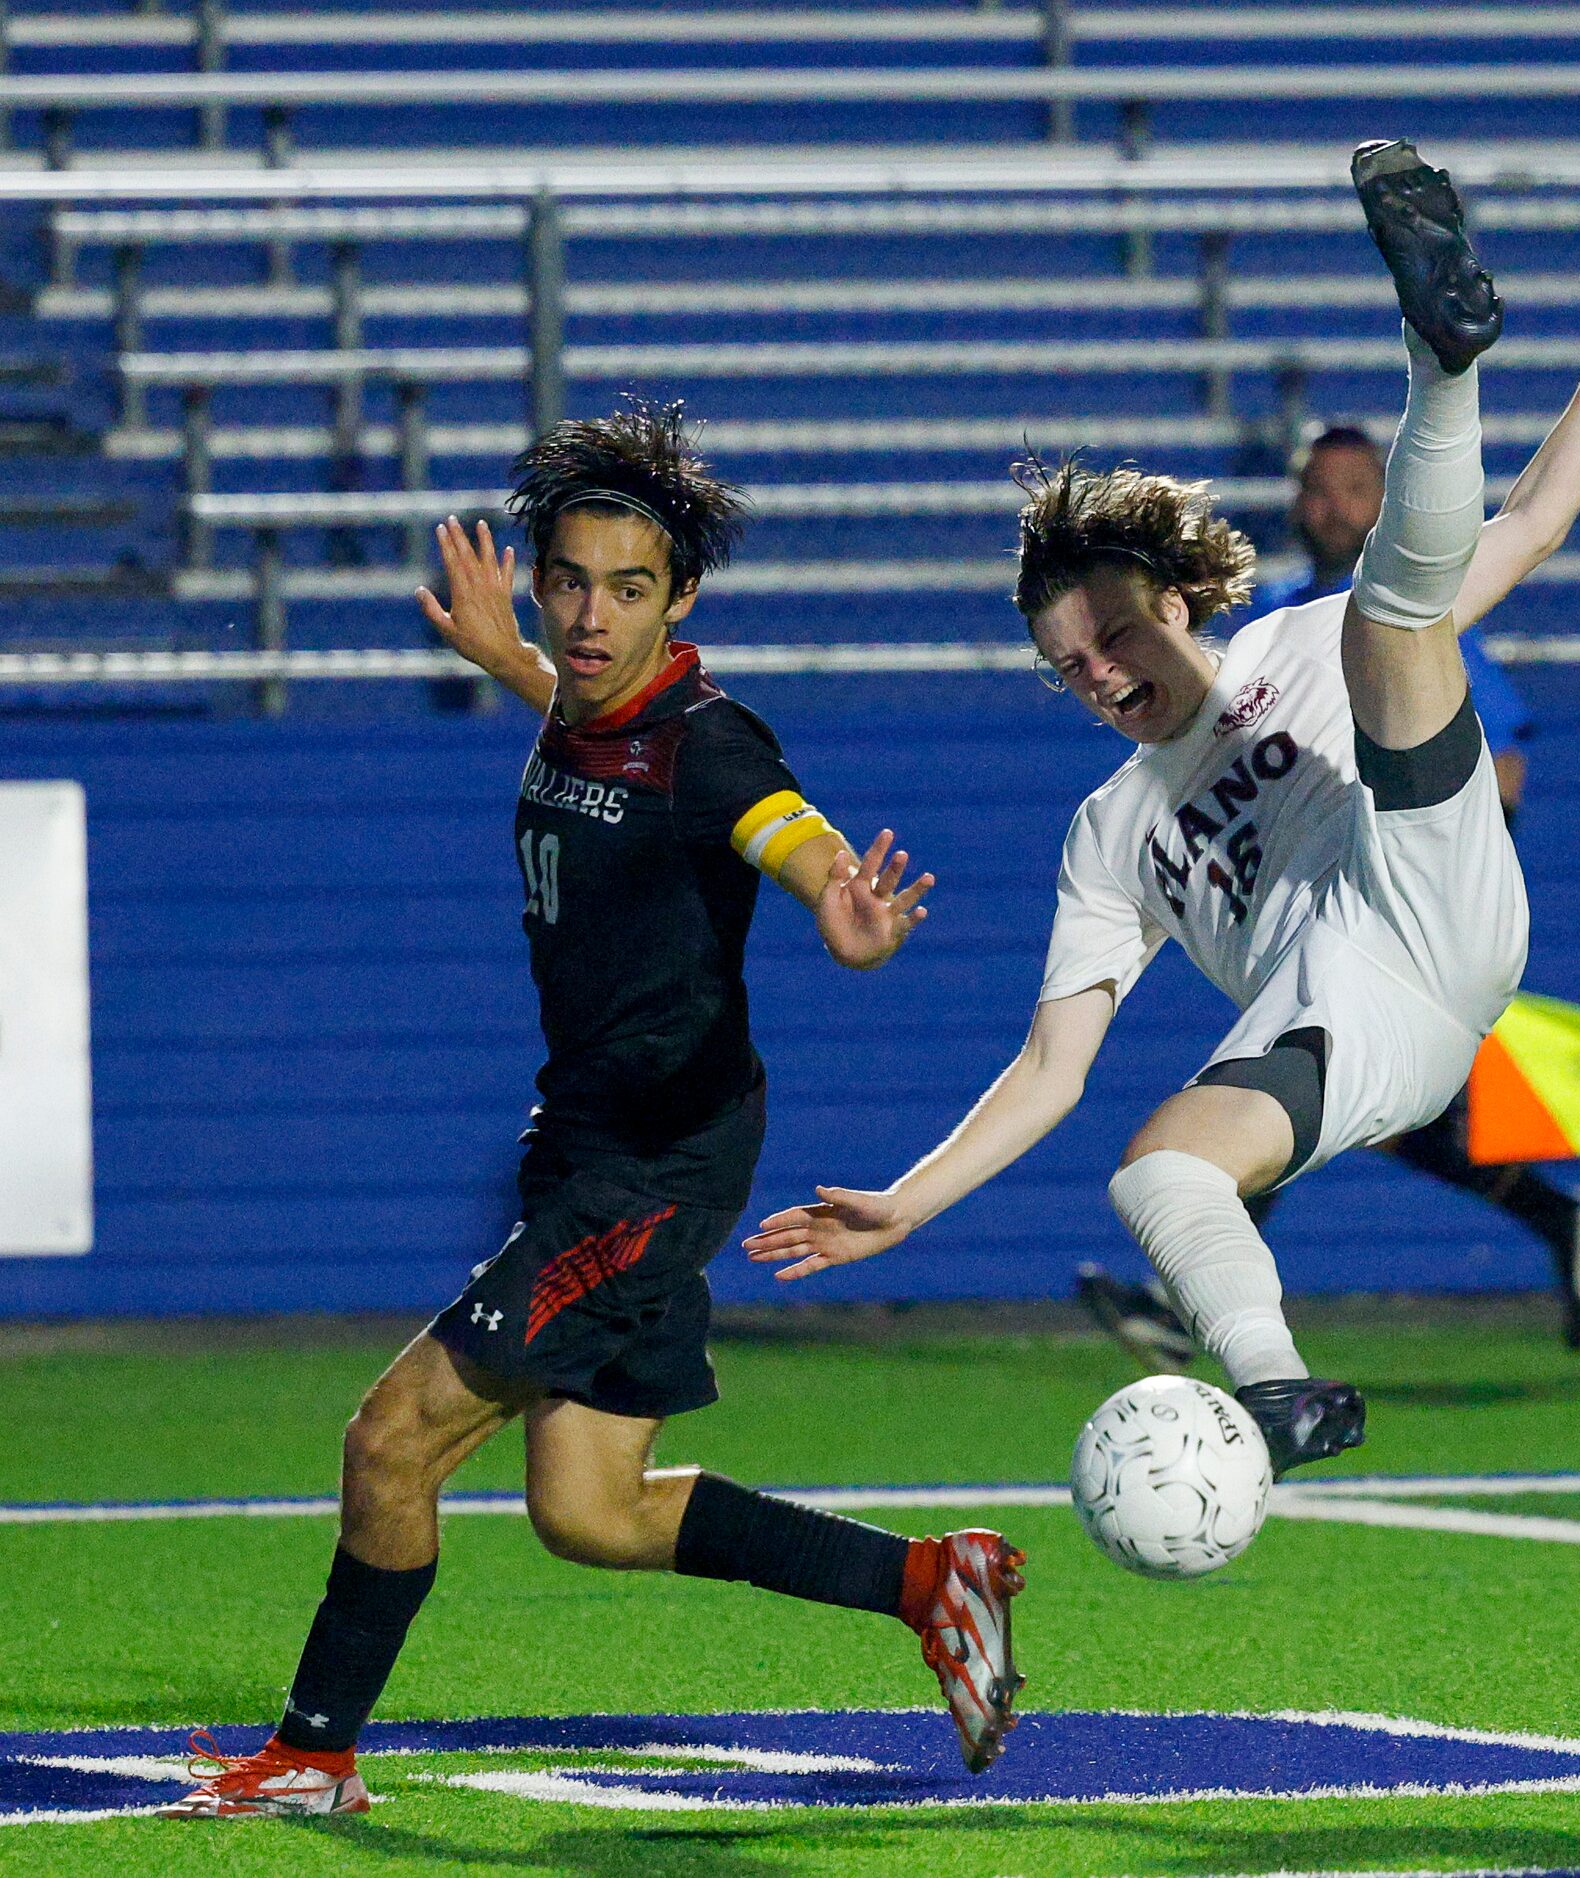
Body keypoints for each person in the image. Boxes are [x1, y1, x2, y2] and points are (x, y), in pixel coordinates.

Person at [744, 148, 1580, 1479]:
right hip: (1352, 1029)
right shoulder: (1108, 831)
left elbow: (1528, 520)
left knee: (1388, 620)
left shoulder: (1293, 646)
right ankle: (1282, 1392)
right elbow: (1049, 1072)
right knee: (1155, 1174)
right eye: (1071, 669)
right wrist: (905, 1202)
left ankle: (1443, 363)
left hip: (1424, 884)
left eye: (1116, 637)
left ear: (1175, 604)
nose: (1102, 678)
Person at [160, 403, 1025, 1819]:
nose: (590, 615)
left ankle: (312, 1750)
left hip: (648, 1171)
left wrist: (840, 905)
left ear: (681, 601)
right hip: (592, 1141)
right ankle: (935, 1579)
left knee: (390, 1437)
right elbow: (583, 717)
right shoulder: (585, 701)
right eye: (570, 581)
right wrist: (509, 653)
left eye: (629, 590)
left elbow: (779, 827)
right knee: (589, 1508)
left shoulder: (709, 741)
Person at [1077, 410, 1580, 1365]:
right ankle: (1561, 1220)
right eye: (1313, 487)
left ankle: (1197, 1304)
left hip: (1409, 922)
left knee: (1313, 1097)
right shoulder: (1277, 614)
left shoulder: (1411, 606)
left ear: (1386, 501)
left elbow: (1494, 771)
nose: (1327, 506)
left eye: (1350, 489)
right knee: (1347, 1108)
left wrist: (1423, 895)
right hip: (1320, 917)